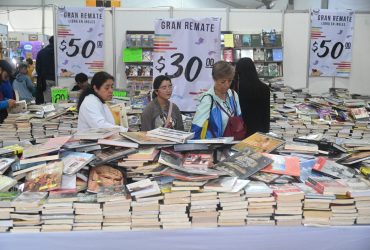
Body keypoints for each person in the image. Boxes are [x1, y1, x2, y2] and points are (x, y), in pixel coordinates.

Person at [191, 60, 242, 139]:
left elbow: (239, 119)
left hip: (233, 143)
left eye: (230, 81)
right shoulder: (208, 99)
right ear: (215, 79)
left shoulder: (233, 95)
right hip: (214, 147)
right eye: (223, 82)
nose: (227, 85)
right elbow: (197, 127)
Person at [233, 57, 270, 137]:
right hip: (259, 131)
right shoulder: (264, 88)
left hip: (241, 130)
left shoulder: (236, 88)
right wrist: (266, 130)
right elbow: (266, 112)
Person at [36, 36, 55, 104]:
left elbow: (38, 68)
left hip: (46, 79)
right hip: (59, 79)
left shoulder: (41, 52)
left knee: (48, 101)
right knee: (59, 101)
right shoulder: (59, 52)